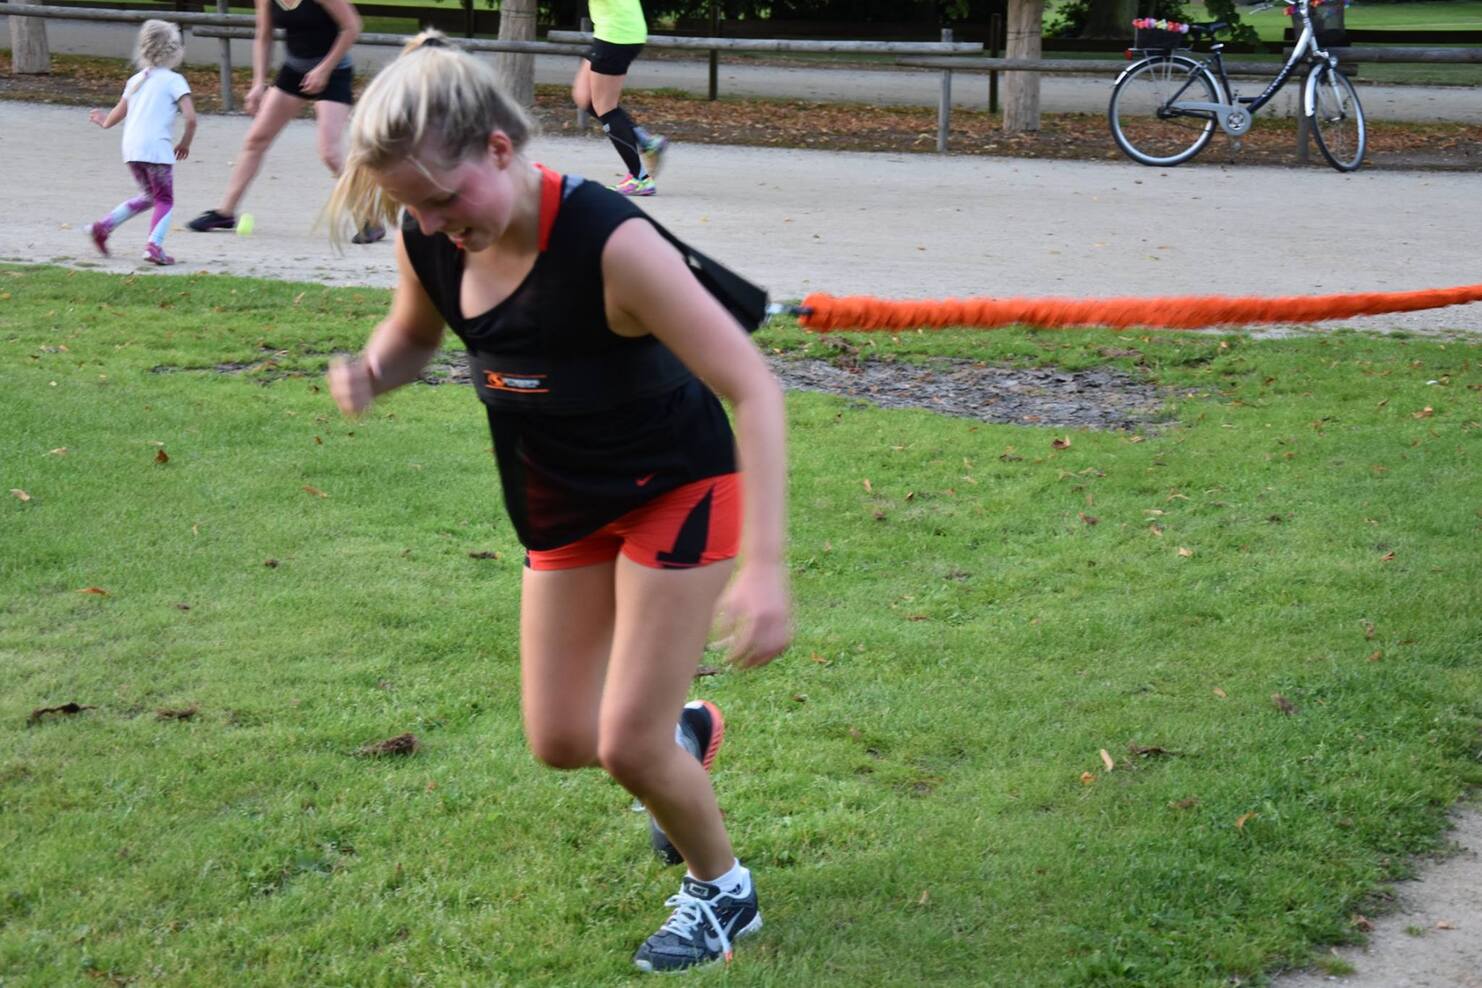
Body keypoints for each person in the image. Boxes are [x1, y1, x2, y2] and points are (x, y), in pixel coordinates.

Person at [323, 31, 791, 973]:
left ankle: (722, 892)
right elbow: (414, 334)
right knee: (562, 739)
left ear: (500, 148)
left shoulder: (612, 243)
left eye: (449, 200)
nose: (441, 223)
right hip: (559, 498)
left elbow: (753, 387)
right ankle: (685, 734)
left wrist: (767, 565)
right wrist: (377, 369)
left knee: (622, 743)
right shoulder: (432, 234)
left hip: (676, 490)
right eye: (418, 209)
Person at [187, 0, 384, 243]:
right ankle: (225, 213)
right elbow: (264, 34)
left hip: (333, 73)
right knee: (256, 140)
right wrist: (258, 82)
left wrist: (323, 70)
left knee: (330, 153)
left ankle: (370, 220)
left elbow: (352, 26)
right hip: (294, 72)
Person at [86, 20, 196, 267]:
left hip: (131, 149)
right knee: (164, 199)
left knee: (149, 196)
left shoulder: (136, 80)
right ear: (175, 51)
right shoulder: (174, 80)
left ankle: (102, 228)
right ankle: (153, 246)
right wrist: (185, 143)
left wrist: (103, 122)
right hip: (156, 149)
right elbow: (191, 118)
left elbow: (118, 112)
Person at [573, 0, 669, 196]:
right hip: (616, 30)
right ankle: (645, 141)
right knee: (584, 96)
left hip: (616, 34)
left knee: (606, 108)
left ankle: (639, 178)